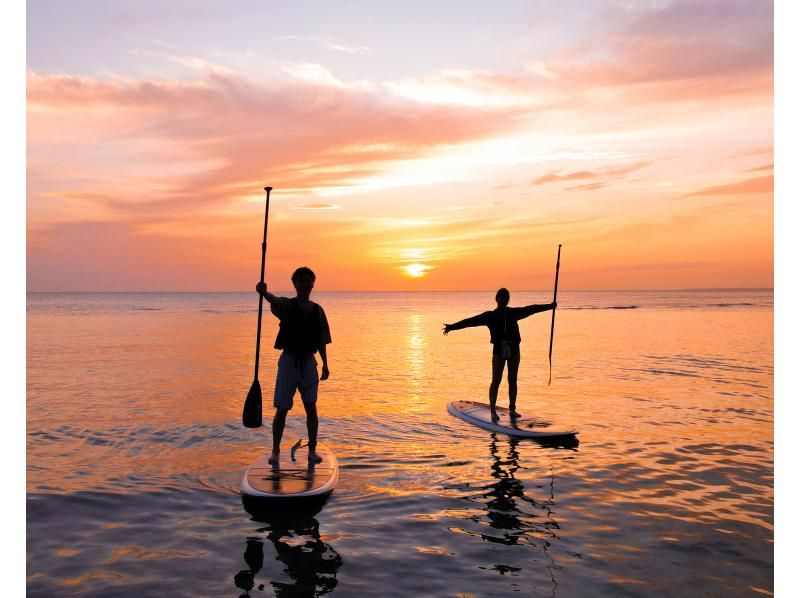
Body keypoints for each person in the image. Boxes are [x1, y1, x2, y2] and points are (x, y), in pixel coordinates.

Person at [443, 288, 555, 421]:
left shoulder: (513, 313)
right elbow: (470, 322)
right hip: (498, 351)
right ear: (496, 299)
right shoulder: (489, 316)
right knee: (496, 380)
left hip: (514, 350)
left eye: (505, 298)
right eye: (501, 298)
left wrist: (550, 306)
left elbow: (531, 309)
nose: (503, 300)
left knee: (512, 380)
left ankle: (512, 409)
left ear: (508, 300)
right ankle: (492, 411)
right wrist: (452, 327)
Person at [256, 266, 331, 464]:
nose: (305, 284)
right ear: (295, 284)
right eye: (301, 281)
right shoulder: (288, 306)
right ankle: (275, 451)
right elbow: (275, 301)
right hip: (288, 362)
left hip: (309, 363)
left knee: (311, 408)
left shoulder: (318, 311)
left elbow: (322, 340)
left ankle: (312, 450)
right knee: (282, 409)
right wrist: (264, 292)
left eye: (308, 281)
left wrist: (325, 364)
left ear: (313, 284)